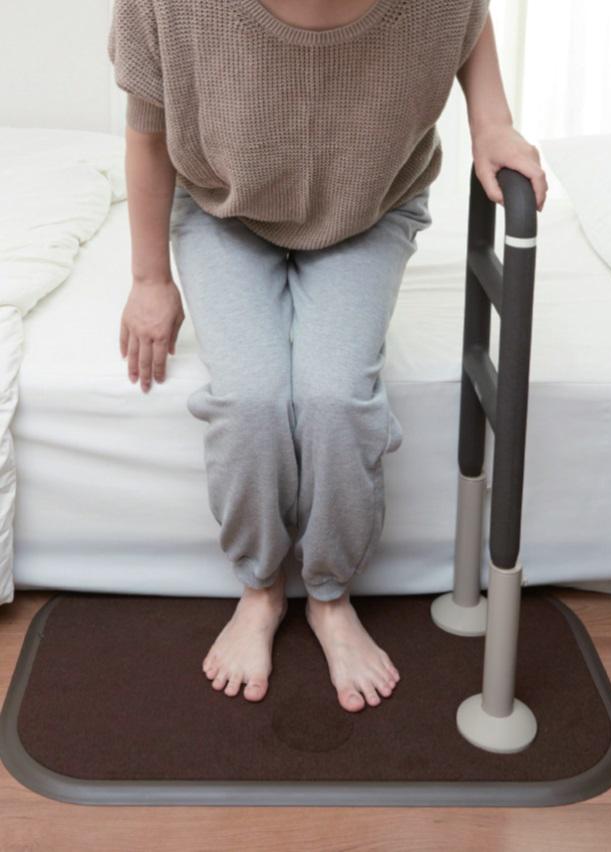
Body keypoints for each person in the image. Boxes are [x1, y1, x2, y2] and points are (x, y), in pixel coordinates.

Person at [108, 0, 548, 713]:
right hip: (224, 210)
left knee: (334, 401)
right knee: (252, 401)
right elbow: (148, 130)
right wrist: (149, 278)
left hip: (366, 212)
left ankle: (330, 595)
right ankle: (260, 590)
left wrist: (491, 121)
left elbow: (468, 17)